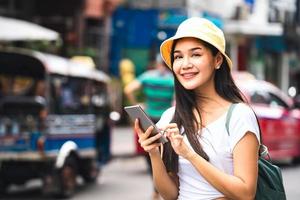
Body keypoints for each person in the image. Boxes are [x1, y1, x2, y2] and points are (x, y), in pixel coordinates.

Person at [134, 17, 260, 200]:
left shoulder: (239, 116)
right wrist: (153, 152)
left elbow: (246, 193)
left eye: (196, 54)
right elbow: (170, 194)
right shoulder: (171, 117)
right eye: (178, 57)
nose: (185, 64)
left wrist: (189, 154)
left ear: (217, 60)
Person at [124, 57, 174, 200]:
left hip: (148, 120)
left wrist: (138, 103)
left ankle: (156, 189)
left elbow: (128, 89)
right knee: (165, 157)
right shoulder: (172, 79)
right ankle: (158, 189)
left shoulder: (147, 76)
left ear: (157, 64)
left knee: (151, 155)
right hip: (166, 120)